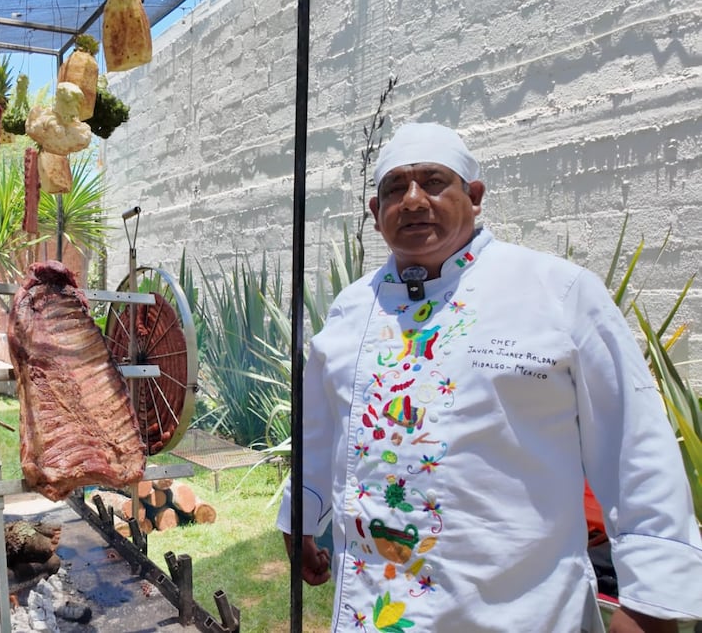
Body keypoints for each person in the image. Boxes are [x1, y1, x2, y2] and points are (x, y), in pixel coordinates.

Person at [277, 122, 702, 633]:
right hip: (374, 609)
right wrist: (299, 516)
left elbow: (637, 449)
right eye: (394, 189)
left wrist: (649, 604)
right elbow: (319, 432)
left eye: (433, 182)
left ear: (474, 196)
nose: (413, 201)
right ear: (375, 213)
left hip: (523, 612)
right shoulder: (352, 308)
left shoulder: (559, 294)